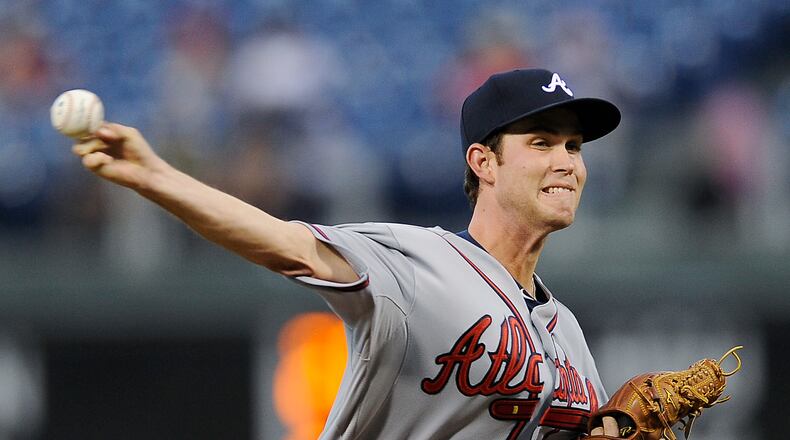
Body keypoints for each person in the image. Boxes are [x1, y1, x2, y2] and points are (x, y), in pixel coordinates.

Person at [72, 69, 623, 439]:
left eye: (574, 147)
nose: (567, 162)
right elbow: (287, 246)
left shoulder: (566, 334)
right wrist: (156, 178)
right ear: (483, 162)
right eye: (542, 143)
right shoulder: (417, 263)